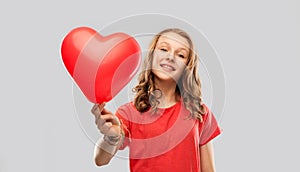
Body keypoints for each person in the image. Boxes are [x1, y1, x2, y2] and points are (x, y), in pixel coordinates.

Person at [91, 28, 222, 172]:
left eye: (181, 55)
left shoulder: (199, 112)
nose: (170, 57)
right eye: (164, 49)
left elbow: (208, 170)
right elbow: (100, 159)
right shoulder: (129, 113)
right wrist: (112, 137)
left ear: (187, 67)